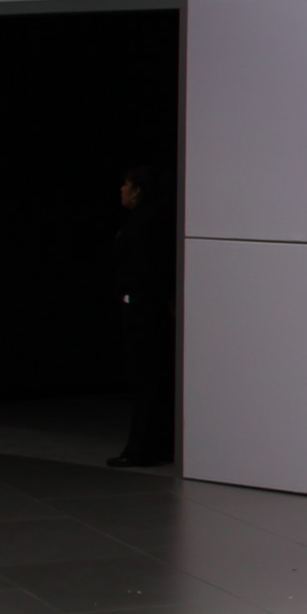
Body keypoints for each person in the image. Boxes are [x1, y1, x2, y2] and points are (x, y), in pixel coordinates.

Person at [108, 164, 174, 468]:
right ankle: (148, 446)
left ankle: (143, 448)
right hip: (143, 306)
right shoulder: (145, 221)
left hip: (142, 309)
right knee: (149, 378)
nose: (121, 190)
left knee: (146, 378)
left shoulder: (142, 223)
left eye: (126, 185)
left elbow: (146, 269)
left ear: (138, 190)